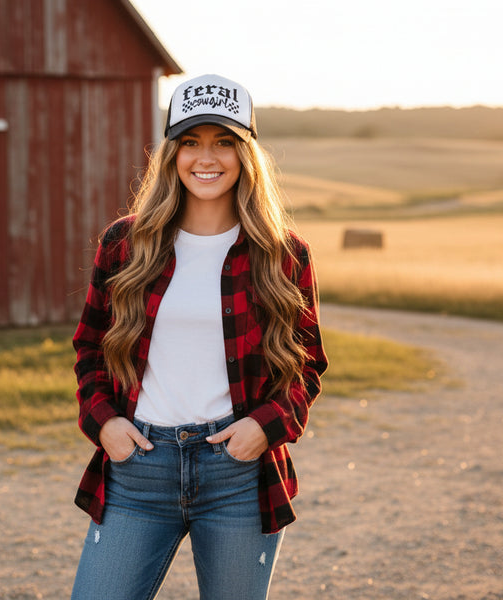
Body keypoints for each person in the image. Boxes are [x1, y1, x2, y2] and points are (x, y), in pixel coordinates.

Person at [70, 74, 328, 600]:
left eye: (224, 142)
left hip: (238, 475)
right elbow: (91, 346)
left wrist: (265, 427)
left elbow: (306, 366)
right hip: (138, 469)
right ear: (171, 153)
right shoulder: (127, 243)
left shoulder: (283, 253)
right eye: (190, 141)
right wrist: (105, 423)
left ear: (246, 153)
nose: (205, 158)